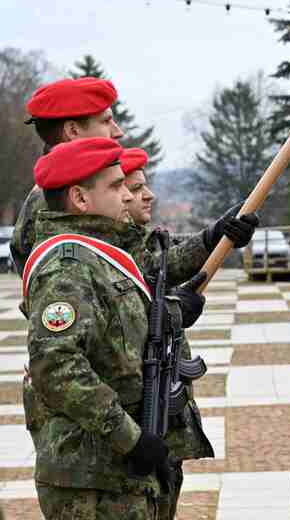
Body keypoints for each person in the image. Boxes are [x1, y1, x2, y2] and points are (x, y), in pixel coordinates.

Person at [21, 138, 203, 519]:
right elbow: (57, 367)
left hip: (116, 472)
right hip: (91, 478)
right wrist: (131, 439)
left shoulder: (101, 254)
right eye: (116, 186)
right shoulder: (67, 266)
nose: (128, 196)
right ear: (80, 198)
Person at [119, 148, 249, 519]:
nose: (148, 195)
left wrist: (215, 234)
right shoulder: (102, 252)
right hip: (134, 423)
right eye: (133, 187)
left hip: (159, 420)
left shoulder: (138, 241)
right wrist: (175, 310)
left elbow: (165, 263)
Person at [12, 77, 124, 275]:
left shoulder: (63, 188)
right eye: (106, 121)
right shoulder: (50, 197)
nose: (118, 132)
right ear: (73, 131)